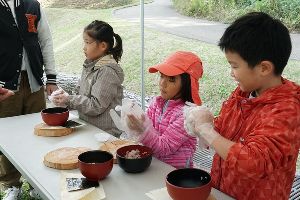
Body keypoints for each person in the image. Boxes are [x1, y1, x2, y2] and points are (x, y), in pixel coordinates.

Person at [186, 12, 300, 199]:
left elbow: (252, 163)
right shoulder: (243, 94)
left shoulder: (287, 111)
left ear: (264, 68)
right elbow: (224, 130)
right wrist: (205, 123)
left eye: (235, 66)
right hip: (224, 191)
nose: (231, 73)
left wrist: (207, 130)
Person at [0, 0, 58, 190]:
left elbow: (45, 40)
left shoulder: (33, 6)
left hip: (34, 81)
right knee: (6, 137)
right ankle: (11, 185)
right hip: (5, 87)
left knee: (39, 132)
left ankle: (37, 183)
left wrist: (51, 78)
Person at [126, 51, 203, 169]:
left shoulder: (187, 115)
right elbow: (148, 131)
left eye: (171, 79)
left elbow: (164, 147)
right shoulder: (156, 104)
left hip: (176, 174)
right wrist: (135, 125)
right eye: (162, 76)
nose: (162, 83)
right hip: (154, 165)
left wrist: (141, 130)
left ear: (187, 84)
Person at [52, 20, 124, 137]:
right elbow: (81, 94)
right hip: (90, 129)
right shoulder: (90, 66)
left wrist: (69, 99)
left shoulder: (106, 71)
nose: (84, 48)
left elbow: (96, 106)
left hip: (105, 134)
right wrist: (64, 97)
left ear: (103, 46)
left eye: (87, 42)